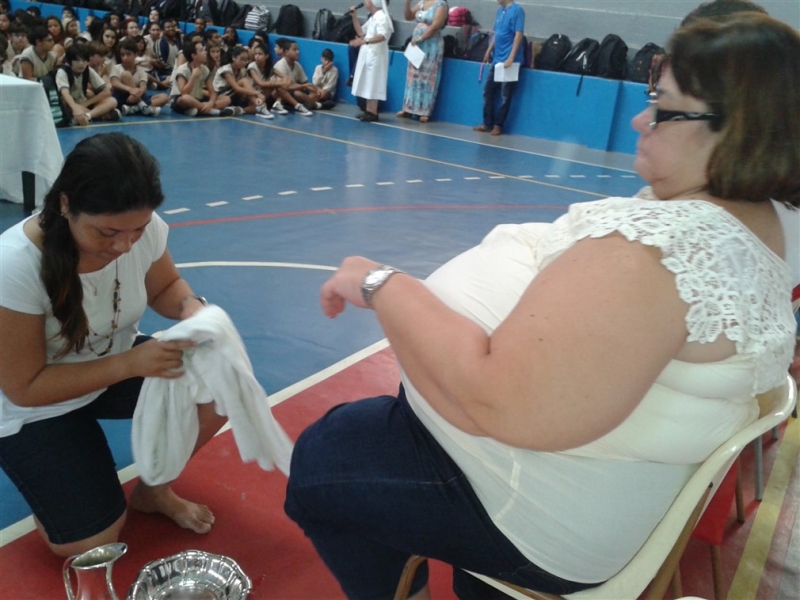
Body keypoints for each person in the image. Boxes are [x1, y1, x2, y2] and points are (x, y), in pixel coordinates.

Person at [284, 13, 800, 599]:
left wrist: (382, 284)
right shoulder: (754, 224)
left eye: (663, 106)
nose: (641, 119)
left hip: (529, 510)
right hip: (581, 491)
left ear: (737, 132)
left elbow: (498, 401)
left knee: (323, 460)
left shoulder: (661, 252)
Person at [0, 133, 229, 558]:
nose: (124, 245)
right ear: (65, 204)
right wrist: (130, 364)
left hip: (110, 363)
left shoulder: (139, 228)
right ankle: (56, 467)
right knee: (90, 544)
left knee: (220, 385)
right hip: (33, 405)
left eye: (137, 230)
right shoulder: (14, 265)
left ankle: (154, 491)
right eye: (107, 232)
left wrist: (192, 309)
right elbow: (24, 387)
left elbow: (166, 287)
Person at [472, 0, 525, 136]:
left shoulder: (517, 10)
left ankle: (498, 125)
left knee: (505, 94)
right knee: (487, 90)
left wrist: (511, 57)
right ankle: (487, 123)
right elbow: (497, 33)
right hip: (497, 59)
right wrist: (489, 50)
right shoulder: (500, 11)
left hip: (509, 61)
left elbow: (518, 35)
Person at [396, 0, 448, 122]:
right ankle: (408, 108)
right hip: (417, 45)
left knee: (428, 77)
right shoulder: (422, 2)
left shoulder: (441, 4)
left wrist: (421, 38)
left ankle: (424, 111)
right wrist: (407, 4)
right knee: (412, 76)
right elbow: (409, 16)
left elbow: (436, 25)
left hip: (430, 45)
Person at [350, 0, 393, 123]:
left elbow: (382, 35)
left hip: (376, 56)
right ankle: (368, 110)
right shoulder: (373, 17)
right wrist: (354, 17)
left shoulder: (382, 17)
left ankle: (373, 112)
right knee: (368, 82)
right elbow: (361, 32)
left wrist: (365, 41)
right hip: (368, 55)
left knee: (373, 82)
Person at [56, 44, 120, 125]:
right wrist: (75, 108)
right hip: (69, 105)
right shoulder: (62, 71)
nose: (81, 64)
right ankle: (100, 115)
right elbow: (65, 94)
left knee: (112, 101)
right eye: (77, 61)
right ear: (69, 61)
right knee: (69, 108)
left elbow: (106, 91)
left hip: (84, 104)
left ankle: (88, 116)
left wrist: (86, 103)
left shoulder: (88, 70)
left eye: (84, 60)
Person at [170, 39, 234, 117]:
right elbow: (184, 93)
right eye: (201, 50)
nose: (205, 52)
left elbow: (212, 92)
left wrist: (210, 103)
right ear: (194, 56)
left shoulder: (204, 69)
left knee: (226, 99)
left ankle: (198, 109)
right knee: (185, 98)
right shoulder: (182, 70)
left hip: (197, 99)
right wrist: (193, 77)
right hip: (180, 100)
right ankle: (209, 110)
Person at [110, 39, 168, 116]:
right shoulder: (116, 68)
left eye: (128, 54)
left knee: (164, 97)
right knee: (126, 74)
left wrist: (137, 93)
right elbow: (114, 82)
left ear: (136, 54)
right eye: (122, 55)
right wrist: (130, 89)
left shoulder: (140, 70)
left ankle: (134, 109)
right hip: (121, 98)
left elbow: (143, 86)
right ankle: (142, 106)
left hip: (135, 98)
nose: (125, 58)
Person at [271, 39, 315, 116]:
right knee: (298, 94)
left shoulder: (297, 65)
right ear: (286, 52)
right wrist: (302, 86)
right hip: (279, 93)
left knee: (315, 93)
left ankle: (309, 103)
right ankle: (315, 105)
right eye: (294, 50)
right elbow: (284, 87)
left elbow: (305, 82)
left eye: (298, 50)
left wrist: (313, 89)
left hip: (293, 90)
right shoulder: (280, 65)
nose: (298, 52)